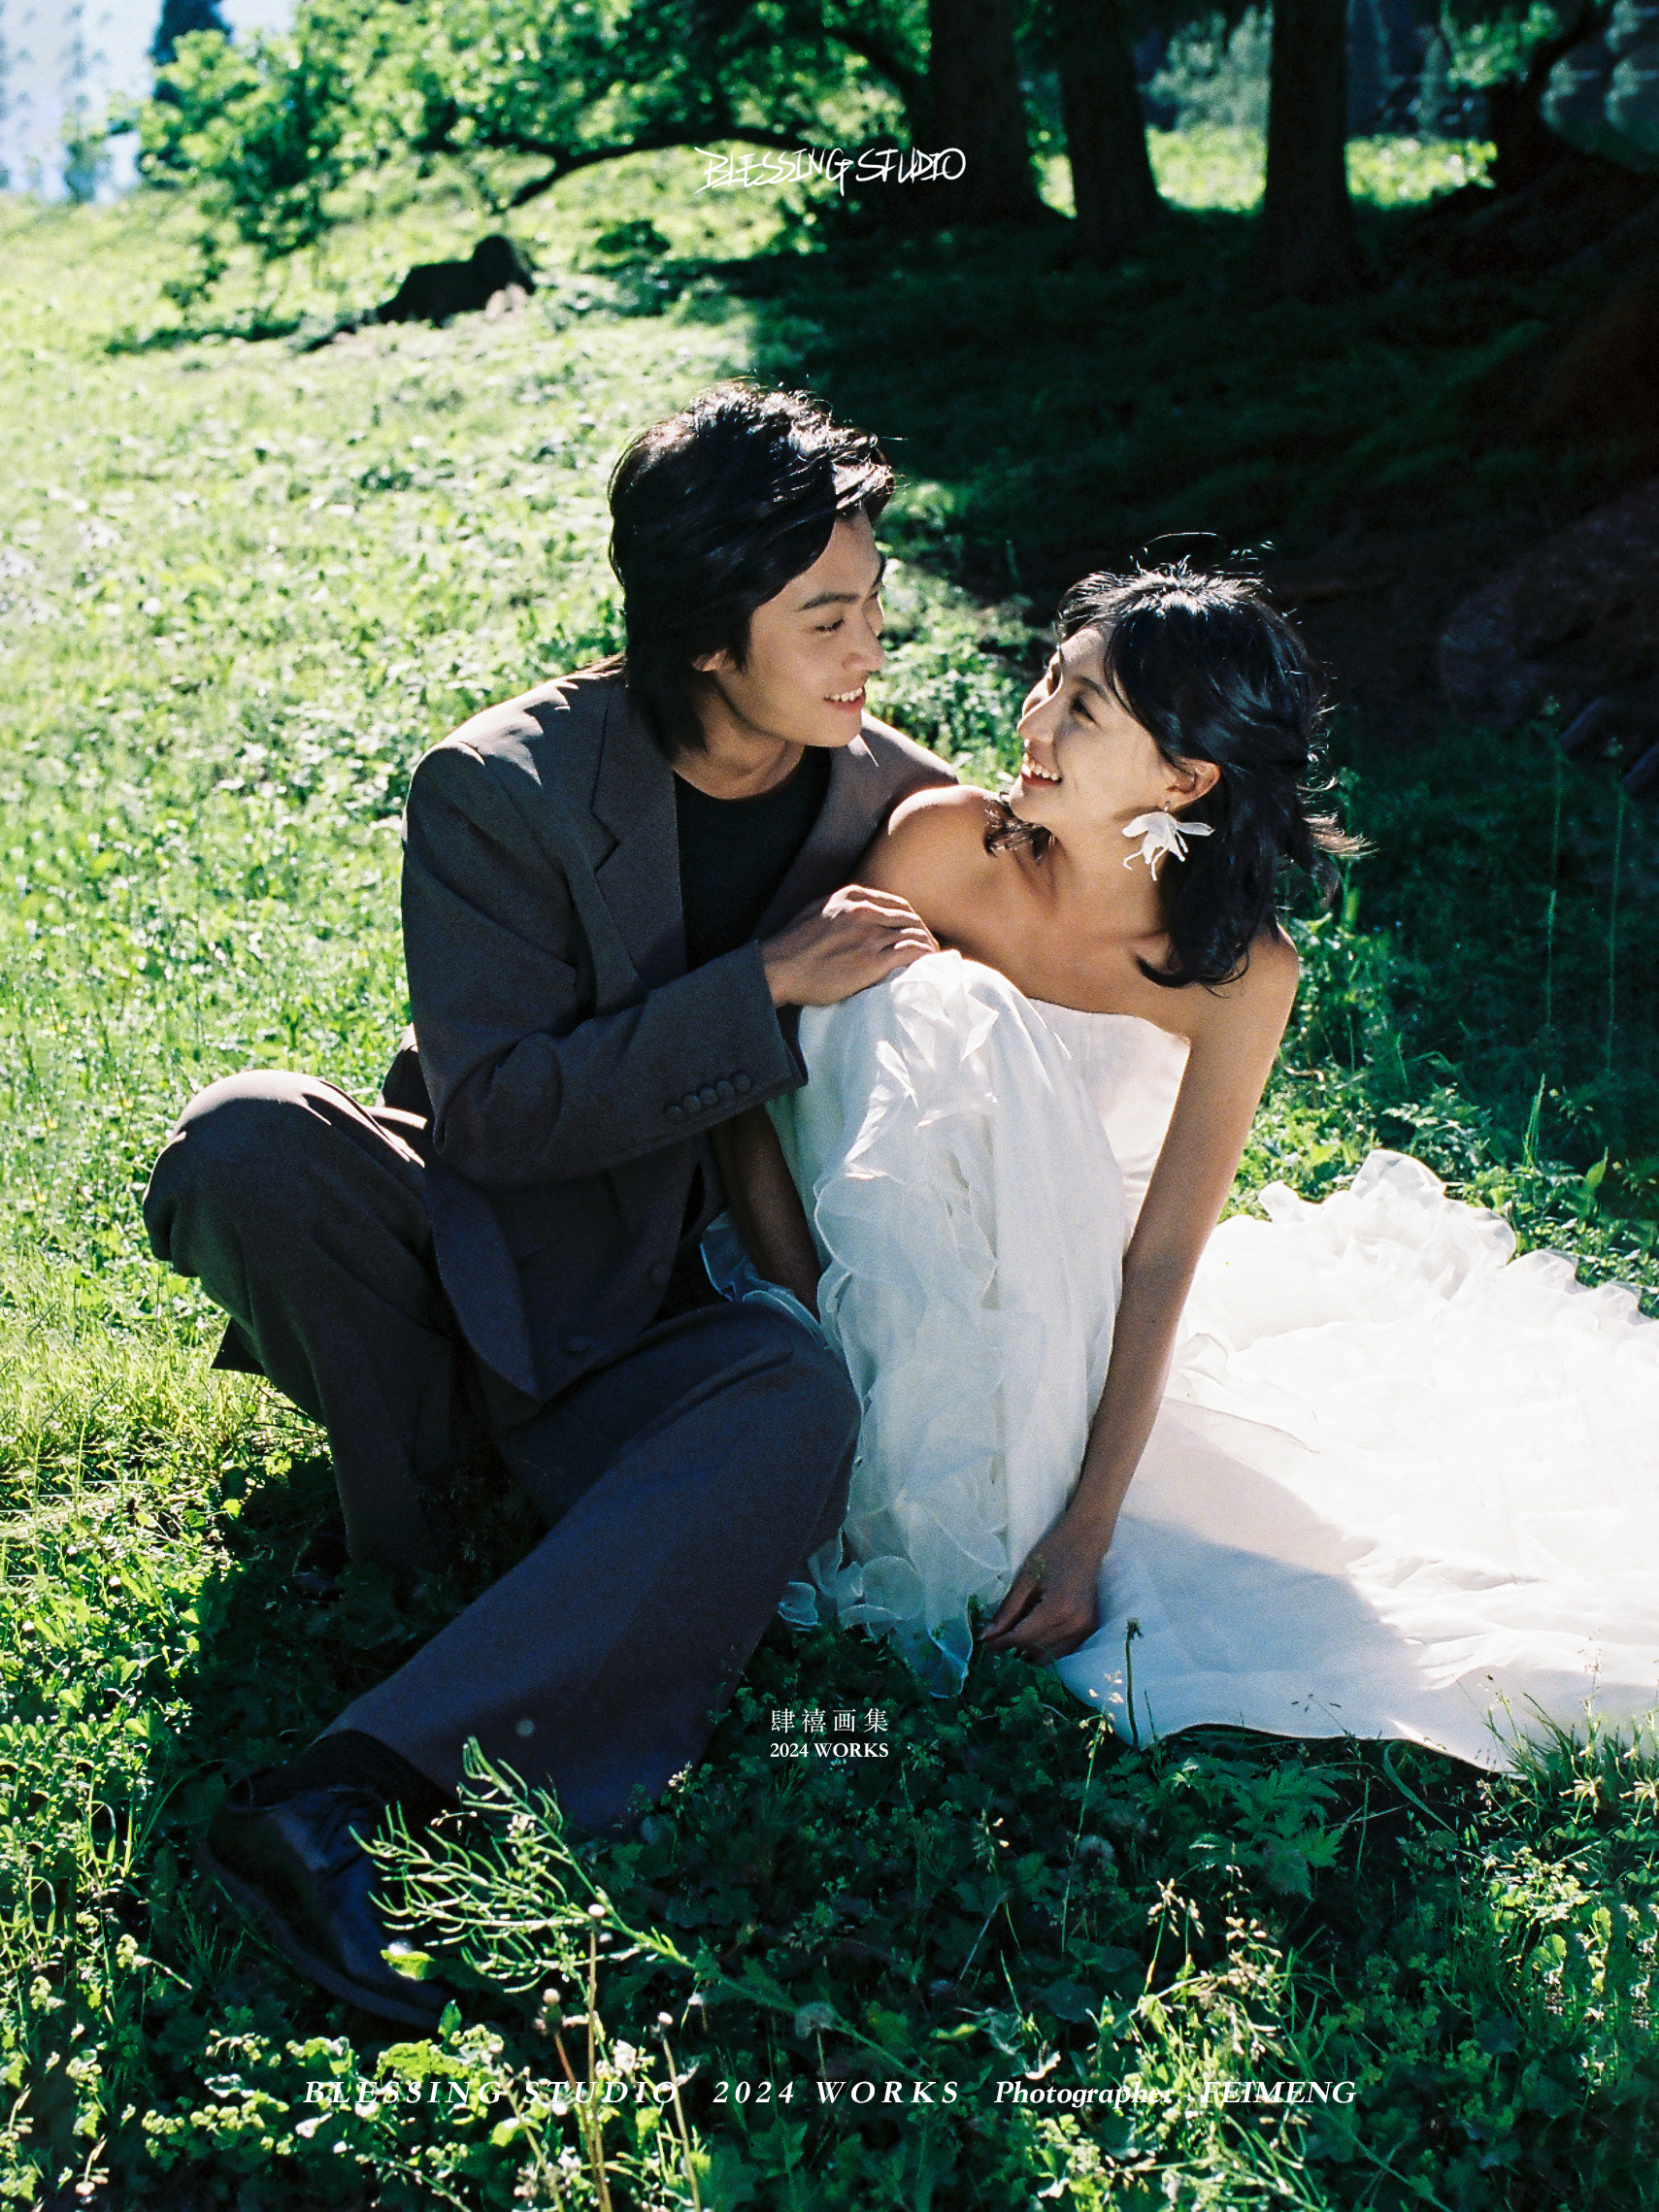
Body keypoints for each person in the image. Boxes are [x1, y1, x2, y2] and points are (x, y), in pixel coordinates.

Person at [142, 382, 954, 2027]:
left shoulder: (898, 802)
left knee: (792, 1393)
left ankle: (349, 1796)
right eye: (825, 616)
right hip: (472, 1256)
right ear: (704, 633)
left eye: (873, 601)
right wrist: (760, 983)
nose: (869, 644)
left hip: (671, 1328)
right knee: (241, 1141)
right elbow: (499, 1116)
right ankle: (421, 1502)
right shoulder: (497, 785)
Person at [712, 565, 1659, 1767]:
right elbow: (769, 1089)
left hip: (1065, 1312)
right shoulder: (941, 849)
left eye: (1082, 708)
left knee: (1065, 1551)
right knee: (936, 1007)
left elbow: (1160, 1254)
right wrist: (809, 1329)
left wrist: (1089, 1527)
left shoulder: (1240, 975)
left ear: (1183, 779)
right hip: (863, 1273)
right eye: (1047, 679)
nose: (1032, 719)